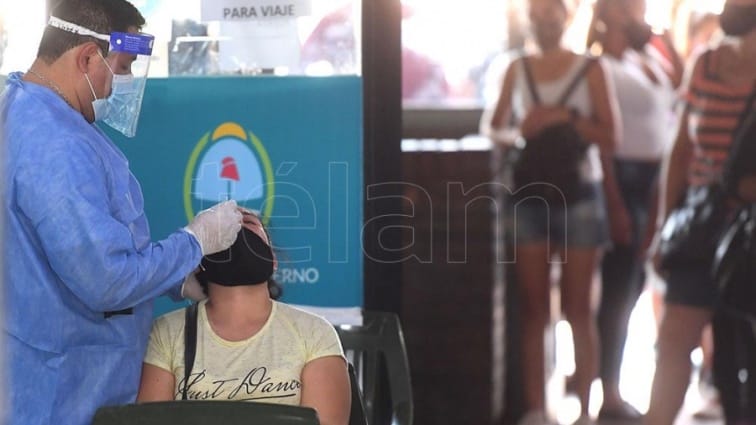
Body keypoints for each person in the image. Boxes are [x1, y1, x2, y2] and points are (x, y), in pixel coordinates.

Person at [0, 1, 243, 424]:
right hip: (66, 393)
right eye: (124, 67)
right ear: (87, 57)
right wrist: (194, 243)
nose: (120, 86)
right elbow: (106, 281)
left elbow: (70, 253)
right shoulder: (58, 145)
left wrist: (173, 277)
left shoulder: (19, 108)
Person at [481, 0, 620, 423]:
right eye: (537, 14)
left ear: (567, 15)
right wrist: (520, 131)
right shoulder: (516, 67)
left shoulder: (591, 68)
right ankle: (537, 410)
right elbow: (493, 126)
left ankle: (585, 410)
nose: (545, 21)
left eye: (551, 13)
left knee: (579, 308)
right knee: (534, 309)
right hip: (530, 195)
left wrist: (566, 117)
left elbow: (611, 135)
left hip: (580, 193)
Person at [646, 1, 756, 424]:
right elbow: (680, 149)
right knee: (674, 340)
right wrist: (664, 225)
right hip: (701, 223)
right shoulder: (706, 62)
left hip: (749, 230)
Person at [137, 210, 351, 425]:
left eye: (247, 222)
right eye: (221, 225)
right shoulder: (167, 332)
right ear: (198, 262)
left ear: (273, 259)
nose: (236, 227)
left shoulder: (314, 333)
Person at [586, 0, 682, 420]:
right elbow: (604, 142)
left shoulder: (647, 59)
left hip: (654, 179)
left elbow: (680, 88)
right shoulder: (599, 65)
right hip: (622, 180)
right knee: (618, 288)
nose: (640, 14)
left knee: (637, 282)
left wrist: (664, 38)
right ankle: (608, 390)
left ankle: (613, 384)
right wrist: (614, 201)